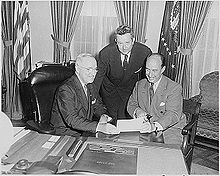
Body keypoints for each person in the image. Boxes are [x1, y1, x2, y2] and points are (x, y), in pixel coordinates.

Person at [94, 25, 152, 125]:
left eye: (127, 42)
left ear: (133, 40)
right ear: (115, 41)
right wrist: (92, 97)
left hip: (129, 89)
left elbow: (147, 78)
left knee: (128, 120)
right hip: (110, 89)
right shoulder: (105, 53)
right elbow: (97, 78)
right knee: (112, 121)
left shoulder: (144, 52)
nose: (124, 47)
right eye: (120, 43)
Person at [50, 53, 119, 137]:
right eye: (89, 69)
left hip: (84, 131)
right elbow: (72, 119)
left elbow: (98, 106)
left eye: (95, 69)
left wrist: (104, 116)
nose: (93, 73)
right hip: (66, 133)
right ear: (77, 69)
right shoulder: (66, 89)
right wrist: (99, 127)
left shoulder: (90, 85)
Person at [127, 53, 186, 145]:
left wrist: (154, 126)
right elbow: (131, 103)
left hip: (169, 129)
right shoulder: (140, 84)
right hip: (144, 128)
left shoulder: (174, 88)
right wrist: (137, 111)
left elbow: (173, 114)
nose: (150, 74)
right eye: (147, 70)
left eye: (154, 70)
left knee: (166, 155)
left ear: (163, 69)